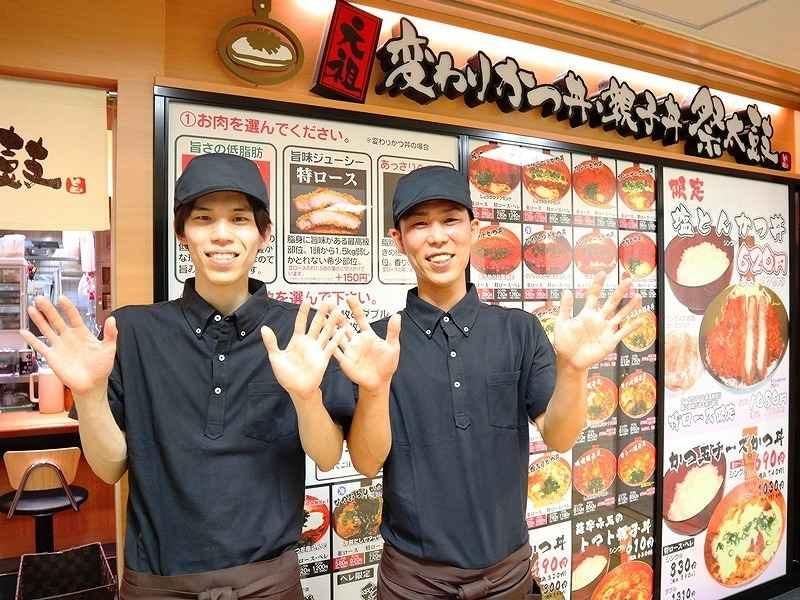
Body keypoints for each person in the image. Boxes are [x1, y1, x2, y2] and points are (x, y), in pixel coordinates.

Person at [21, 153, 399, 600]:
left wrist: (305, 395)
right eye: (204, 218)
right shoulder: (133, 331)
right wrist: (88, 393)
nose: (222, 234)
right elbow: (110, 468)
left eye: (239, 219)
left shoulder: (301, 329)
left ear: (264, 235)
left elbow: (327, 453)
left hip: (270, 582)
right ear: (183, 233)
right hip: (157, 584)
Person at [345, 165, 642, 600]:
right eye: (419, 224)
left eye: (450, 220)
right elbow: (367, 464)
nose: (437, 236)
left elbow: (559, 437)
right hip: (413, 580)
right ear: (398, 239)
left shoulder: (519, 330)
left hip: (508, 573)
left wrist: (574, 370)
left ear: (475, 229)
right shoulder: (377, 342)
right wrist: (374, 388)